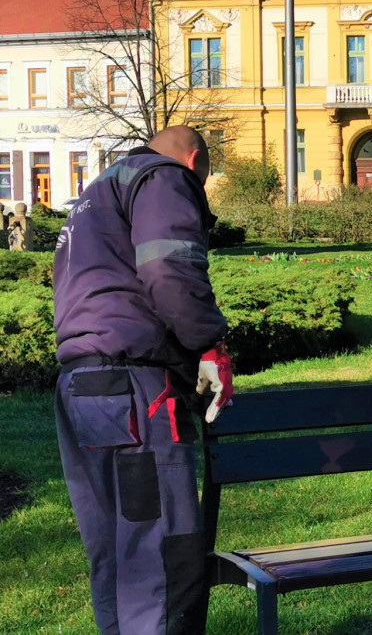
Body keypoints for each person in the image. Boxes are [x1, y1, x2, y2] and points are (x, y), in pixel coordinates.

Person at [52, 126, 234, 635]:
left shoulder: (96, 193)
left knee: (115, 552)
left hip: (83, 386)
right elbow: (169, 269)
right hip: (137, 392)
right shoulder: (163, 177)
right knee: (161, 552)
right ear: (195, 162)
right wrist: (208, 344)